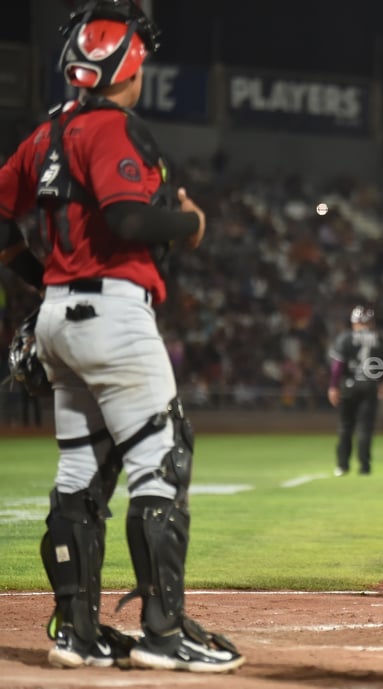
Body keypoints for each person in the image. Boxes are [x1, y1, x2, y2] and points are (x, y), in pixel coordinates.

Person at [0, 0, 244, 673]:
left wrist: (40, 275)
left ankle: (76, 631)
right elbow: (131, 220)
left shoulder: (42, 134)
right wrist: (190, 223)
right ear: (129, 66)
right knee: (160, 462)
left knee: (79, 473)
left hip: (57, 317)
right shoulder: (111, 128)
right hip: (113, 314)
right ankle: (163, 629)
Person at [327, 304, 383, 476]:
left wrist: (333, 386)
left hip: (349, 385)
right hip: (370, 386)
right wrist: (382, 383)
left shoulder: (345, 338)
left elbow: (337, 366)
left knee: (346, 426)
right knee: (365, 428)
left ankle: (342, 465)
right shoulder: (379, 339)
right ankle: (364, 466)